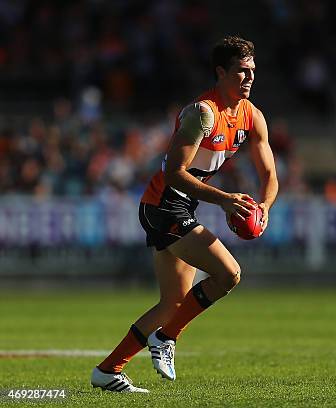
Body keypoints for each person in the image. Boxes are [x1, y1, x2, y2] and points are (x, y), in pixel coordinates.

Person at [90, 35, 278, 393]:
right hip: (164, 204)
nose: (250, 78)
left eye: (252, 71)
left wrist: (264, 207)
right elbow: (175, 173)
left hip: (180, 205)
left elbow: (269, 175)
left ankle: (107, 371)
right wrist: (224, 200)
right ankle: (167, 338)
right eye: (241, 72)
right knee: (229, 274)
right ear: (221, 73)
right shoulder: (202, 113)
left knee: (174, 301)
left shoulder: (252, 116)